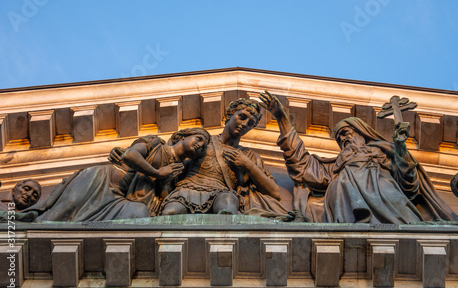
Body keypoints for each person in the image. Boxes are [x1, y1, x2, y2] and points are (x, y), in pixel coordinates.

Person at [259, 91, 456, 224]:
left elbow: (409, 186)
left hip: (386, 193)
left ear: (362, 133)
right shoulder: (335, 167)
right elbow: (301, 163)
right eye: (339, 137)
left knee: (407, 222)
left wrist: (401, 148)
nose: (343, 138)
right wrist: (282, 118)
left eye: (347, 132)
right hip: (344, 201)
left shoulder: (383, 152)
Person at [22, 128, 210, 222]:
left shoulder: (177, 171)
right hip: (100, 182)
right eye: (199, 139)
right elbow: (130, 155)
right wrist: (158, 172)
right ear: (183, 136)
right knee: (61, 213)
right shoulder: (156, 143)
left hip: (121, 200)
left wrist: (167, 182)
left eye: (202, 147)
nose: (199, 145)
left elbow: (163, 199)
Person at [160, 98, 289, 217]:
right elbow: (171, 157)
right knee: (169, 214)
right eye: (242, 117)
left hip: (221, 193)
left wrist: (249, 165)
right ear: (229, 115)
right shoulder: (203, 140)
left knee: (227, 212)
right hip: (186, 190)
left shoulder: (249, 156)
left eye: (250, 123)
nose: (245, 124)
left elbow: (275, 192)